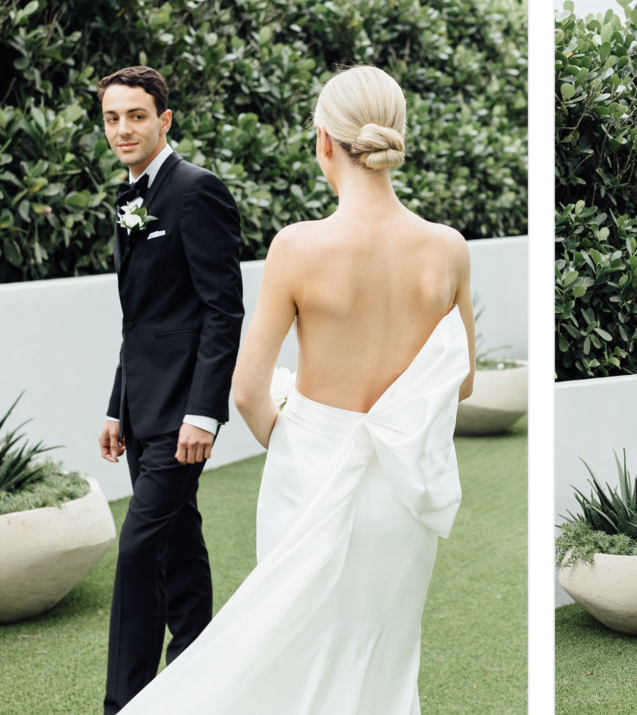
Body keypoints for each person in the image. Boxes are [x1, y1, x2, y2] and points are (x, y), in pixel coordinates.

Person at [114, 65, 476, 714]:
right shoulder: (447, 249)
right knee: (384, 654)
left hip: (307, 475)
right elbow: (464, 379)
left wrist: (305, 436)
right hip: (403, 491)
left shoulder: (299, 247)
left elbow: (249, 390)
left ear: (324, 143)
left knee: (293, 648)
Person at [94, 66, 244, 715]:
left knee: (136, 549)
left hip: (185, 412)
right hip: (142, 408)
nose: (123, 128)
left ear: (165, 120)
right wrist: (115, 405)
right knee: (178, 542)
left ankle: (124, 701)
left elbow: (222, 309)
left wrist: (204, 413)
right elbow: (141, 319)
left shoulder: (195, 191)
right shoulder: (127, 197)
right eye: (112, 117)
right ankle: (195, 671)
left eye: (135, 115)